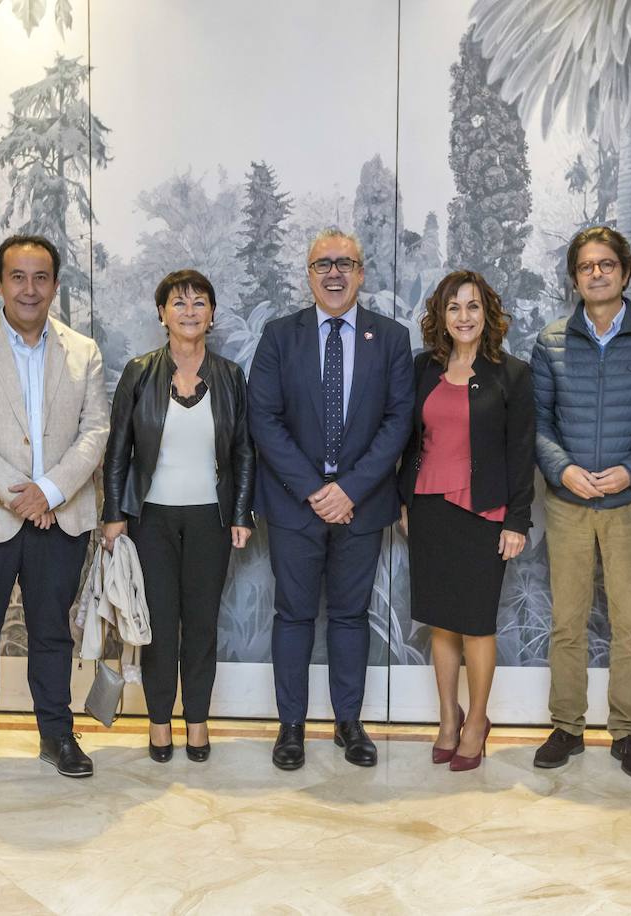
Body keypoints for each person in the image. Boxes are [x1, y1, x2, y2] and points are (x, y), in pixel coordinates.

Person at [0, 234, 108, 790]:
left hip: (59, 518)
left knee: (52, 634)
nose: (29, 289)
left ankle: (57, 735)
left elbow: (95, 431)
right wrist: (21, 494)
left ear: (55, 285)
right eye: (18, 277)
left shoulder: (84, 351)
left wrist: (51, 491)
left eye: (41, 278)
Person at [247, 228, 413, 770]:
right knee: (292, 616)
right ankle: (290, 728)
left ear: (362, 273)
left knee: (349, 616)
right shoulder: (278, 336)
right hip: (296, 505)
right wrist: (318, 491)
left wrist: (350, 490)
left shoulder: (389, 338)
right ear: (309, 275)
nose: (335, 273)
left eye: (345, 263)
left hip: (362, 506)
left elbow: (398, 422)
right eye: (323, 264)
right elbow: (264, 420)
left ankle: (349, 724)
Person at [530, 226, 631, 779]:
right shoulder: (549, 342)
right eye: (586, 266)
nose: (596, 273)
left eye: (606, 264)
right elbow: (538, 424)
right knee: (566, 621)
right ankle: (566, 727)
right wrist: (565, 469)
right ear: (574, 278)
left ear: (625, 272)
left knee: (629, 624)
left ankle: (627, 734)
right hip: (568, 503)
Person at [100, 269, 255, 763]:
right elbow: (118, 449)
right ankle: (160, 721)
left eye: (199, 303)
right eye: (179, 302)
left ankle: (198, 722)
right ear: (162, 313)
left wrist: (240, 511)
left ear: (212, 315)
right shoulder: (140, 372)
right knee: (160, 624)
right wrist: (113, 513)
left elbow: (244, 452)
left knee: (202, 624)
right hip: (152, 520)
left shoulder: (230, 376)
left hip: (210, 519)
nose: (189, 311)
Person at [397, 270, 533, 771]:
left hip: (485, 512)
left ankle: (477, 721)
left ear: (487, 314)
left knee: (475, 623)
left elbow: (521, 453)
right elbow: (409, 441)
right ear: (441, 316)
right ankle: (447, 720)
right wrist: (405, 501)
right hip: (429, 509)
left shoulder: (511, 374)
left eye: (473, 306)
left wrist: (517, 520)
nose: (464, 316)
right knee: (441, 623)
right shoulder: (421, 369)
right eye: (454, 307)